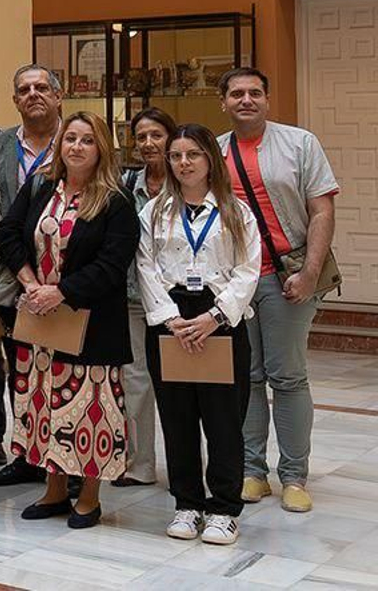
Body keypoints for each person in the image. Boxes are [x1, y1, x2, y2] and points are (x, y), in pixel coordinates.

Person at [0, 112, 138, 529]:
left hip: (90, 324)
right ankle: (54, 490)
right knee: (43, 407)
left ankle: (89, 498)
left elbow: (113, 265)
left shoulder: (116, 200)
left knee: (89, 412)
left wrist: (61, 292)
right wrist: (29, 283)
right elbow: (7, 233)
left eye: (87, 140)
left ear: (102, 149)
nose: (76, 146)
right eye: (70, 139)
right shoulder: (40, 187)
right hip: (39, 322)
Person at [218, 68, 338, 514]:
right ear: (224, 102)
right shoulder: (215, 151)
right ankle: (253, 471)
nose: (245, 100)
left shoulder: (300, 144)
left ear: (267, 99)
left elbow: (321, 210)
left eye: (254, 93)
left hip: (287, 274)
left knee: (286, 376)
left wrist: (309, 273)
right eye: (236, 94)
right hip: (236, 281)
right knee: (246, 377)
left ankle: (294, 475)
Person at [137, 124, 261, 546]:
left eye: (192, 154)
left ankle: (224, 507)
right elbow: (146, 268)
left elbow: (248, 271)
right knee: (178, 417)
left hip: (219, 321)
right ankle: (187, 503)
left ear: (211, 159)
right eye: (176, 156)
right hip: (172, 321)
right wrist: (172, 320)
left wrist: (214, 317)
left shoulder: (236, 211)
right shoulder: (153, 211)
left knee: (224, 419)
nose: (183, 163)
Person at [0, 65, 64, 484]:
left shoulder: (78, 140)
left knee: (66, 370)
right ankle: (29, 453)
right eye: (24, 89)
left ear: (57, 95)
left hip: (65, 280)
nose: (33, 94)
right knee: (21, 369)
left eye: (41, 87)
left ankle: (65, 458)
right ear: (14, 100)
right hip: (12, 277)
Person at [116, 107, 179, 488]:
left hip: (180, 303)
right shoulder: (126, 185)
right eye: (141, 137)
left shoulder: (188, 182)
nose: (149, 143)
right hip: (133, 296)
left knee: (181, 384)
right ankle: (139, 465)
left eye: (157, 134)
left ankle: (185, 466)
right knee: (135, 380)